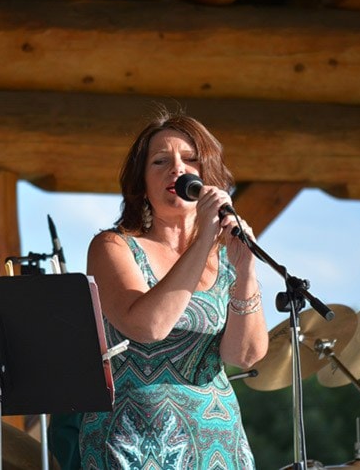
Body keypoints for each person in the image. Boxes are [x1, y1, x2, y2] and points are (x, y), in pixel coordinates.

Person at [78, 108, 269, 469]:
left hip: (218, 444)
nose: (177, 169)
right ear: (141, 185)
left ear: (208, 177)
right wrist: (204, 240)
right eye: (160, 161)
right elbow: (148, 327)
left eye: (190, 159)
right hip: (132, 444)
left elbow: (245, 356)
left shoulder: (225, 256)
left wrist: (244, 270)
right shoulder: (113, 247)